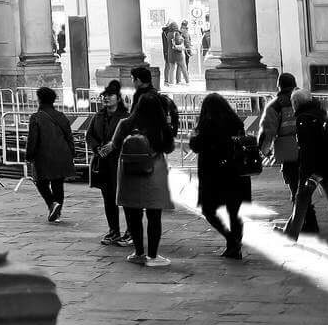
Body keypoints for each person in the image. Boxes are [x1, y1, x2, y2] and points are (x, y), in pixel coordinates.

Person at [112, 65, 177, 267]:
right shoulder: (161, 129)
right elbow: (169, 147)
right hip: (154, 170)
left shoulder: (126, 123)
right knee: (153, 214)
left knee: (133, 212)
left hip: (130, 171)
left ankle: (138, 252)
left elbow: (116, 144)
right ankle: (153, 256)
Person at [283, 90, 328, 246]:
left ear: (296, 103)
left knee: (301, 201)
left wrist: (306, 172)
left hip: (312, 168)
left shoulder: (303, 119)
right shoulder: (324, 113)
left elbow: (307, 149)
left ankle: (291, 236)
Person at [189, 92, 252, 260]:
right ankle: (235, 246)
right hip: (236, 173)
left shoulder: (207, 124)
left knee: (208, 210)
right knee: (234, 212)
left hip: (213, 174)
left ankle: (231, 239)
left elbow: (196, 145)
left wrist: (193, 137)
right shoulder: (235, 122)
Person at [84, 80, 128, 247]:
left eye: (110, 96)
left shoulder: (125, 117)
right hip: (103, 163)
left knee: (124, 198)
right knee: (108, 199)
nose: (106, 98)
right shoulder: (99, 116)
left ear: (118, 98)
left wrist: (114, 145)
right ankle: (113, 230)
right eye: (104, 96)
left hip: (121, 162)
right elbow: (90, 135)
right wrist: (97, 148)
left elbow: (130, 136)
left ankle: (130, 230)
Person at [25, 86, 75, 223]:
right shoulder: (61, 116)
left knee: (40, 182)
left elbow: (33, 138)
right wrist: (72, 153)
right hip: (62, 153)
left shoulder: (36, 117)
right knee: (58, 183)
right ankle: (56, 212)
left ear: (40, 100)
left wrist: (29, 155)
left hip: (44, 155)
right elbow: (69, 137)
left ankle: (52, 204)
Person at [259, 72, 301, 201]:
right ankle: (308, 217)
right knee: (307, 186)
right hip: (311, 147)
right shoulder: (307, 98)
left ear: (279, 86)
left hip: (289, 151)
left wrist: (264, 150)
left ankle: (302, 218)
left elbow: (268, 131)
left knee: (295, 189)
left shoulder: (275, 105)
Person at [160, 21, 184, 86]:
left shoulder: (166, 32)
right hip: (169, 51)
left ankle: (170, 81)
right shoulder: (167, 33)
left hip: (168, 51)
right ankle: (171, 81)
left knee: (170, 66)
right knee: (170, 65)